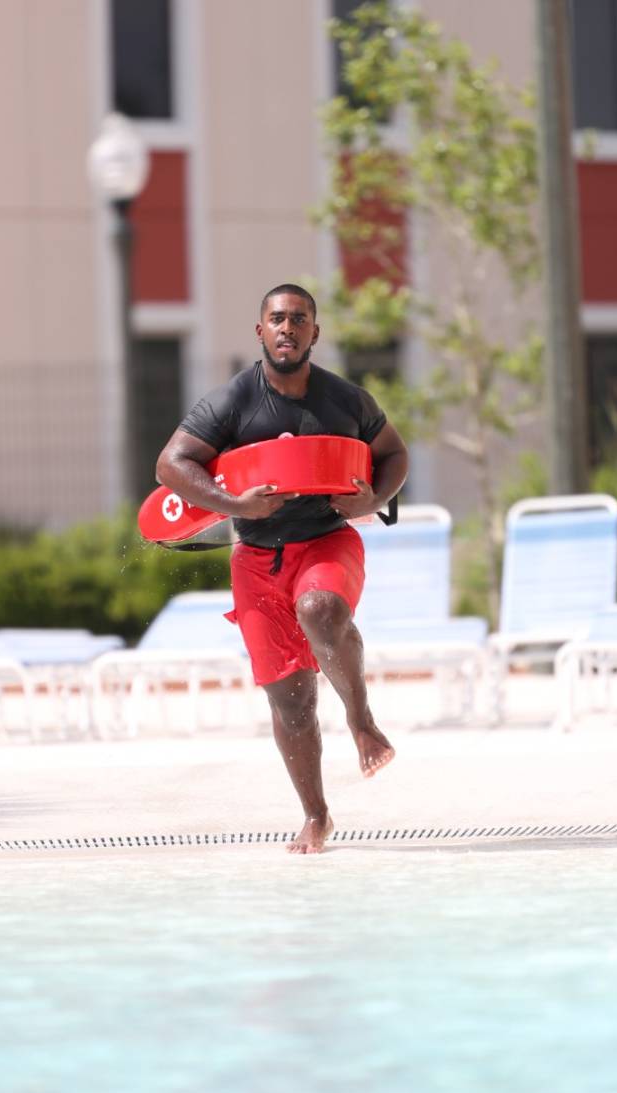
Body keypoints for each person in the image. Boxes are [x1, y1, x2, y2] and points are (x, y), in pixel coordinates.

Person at [156, 284, 409, 854]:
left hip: (326, 540)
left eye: (299, 319)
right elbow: (171, 465)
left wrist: (371, 501)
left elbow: (395, 454)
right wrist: (237, 508)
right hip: (255, 557)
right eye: (277, 319)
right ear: (260, 331)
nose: (287, 328)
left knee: (320, 609)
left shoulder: (346, 401)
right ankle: (317, 814)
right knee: (290, 701)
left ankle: (360, 718)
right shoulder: (232, 402)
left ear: (315, 333)